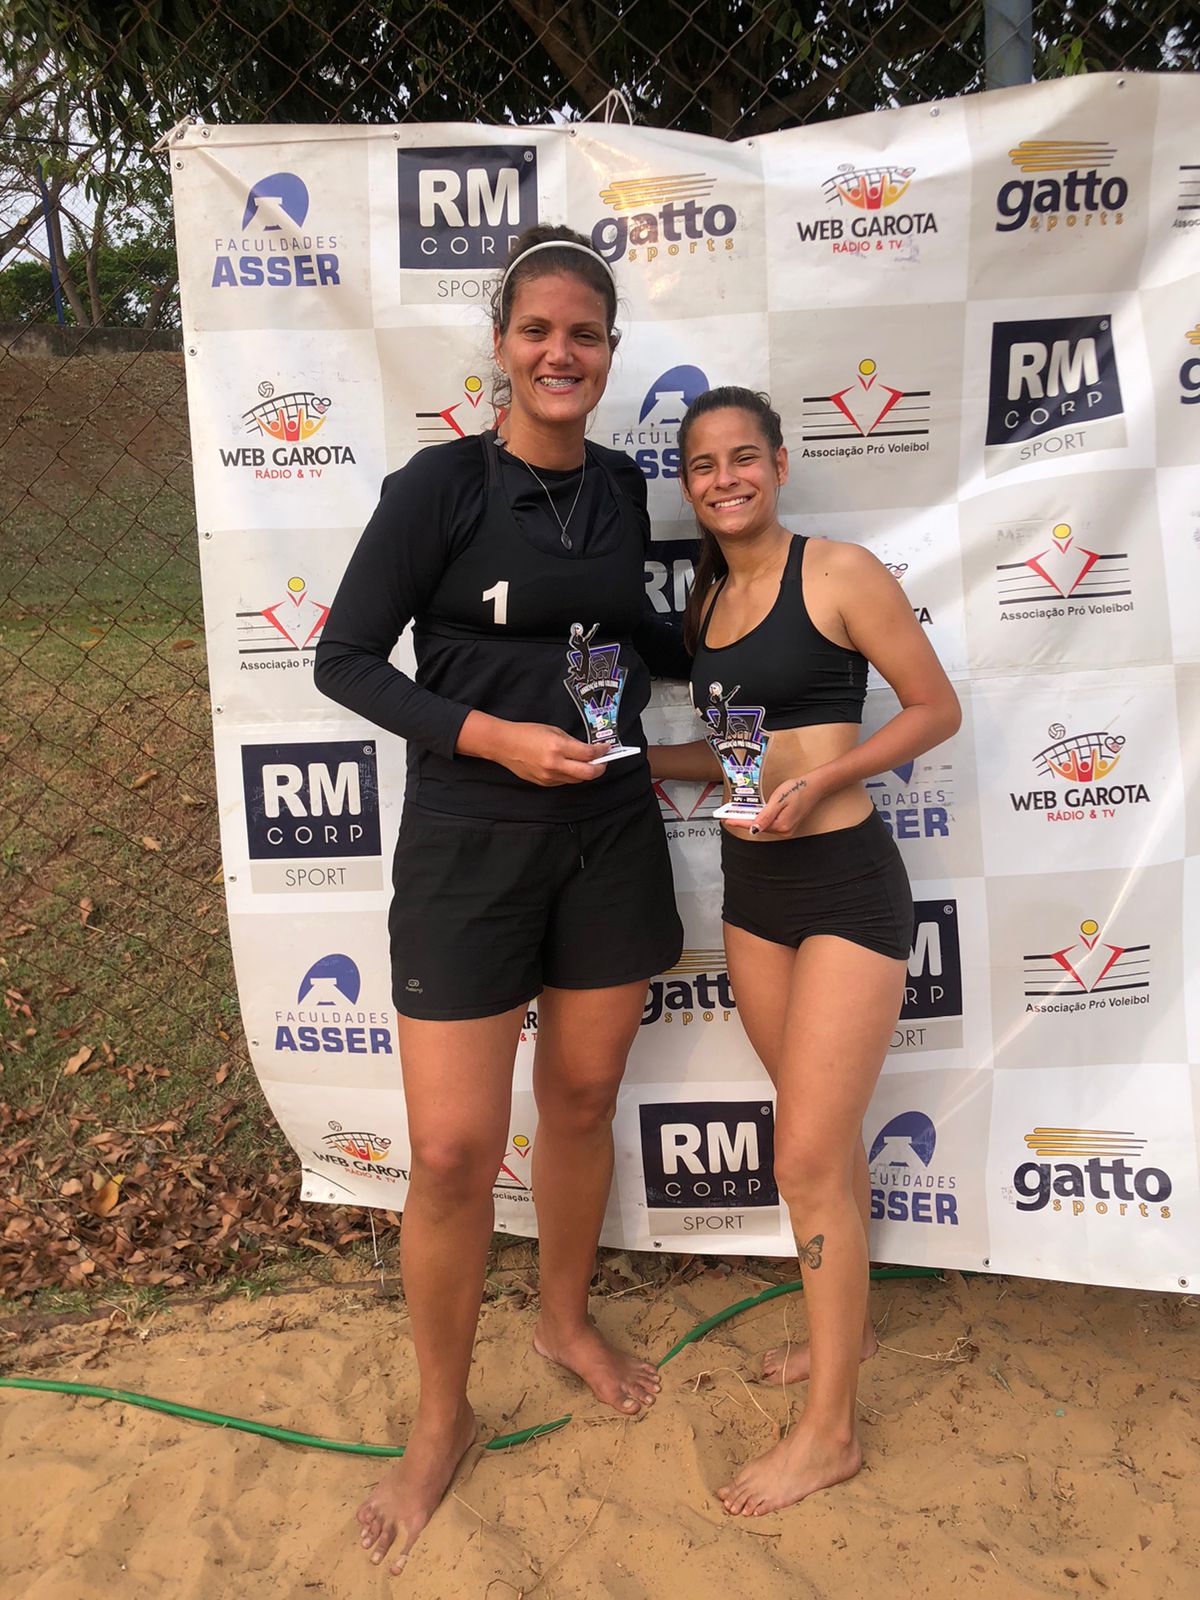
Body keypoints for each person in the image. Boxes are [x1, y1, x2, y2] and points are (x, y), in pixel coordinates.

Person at [313, 226, 687, 1572]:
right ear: (501, 345)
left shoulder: (629, 492)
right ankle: (439, 1421)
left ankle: (565, 1319)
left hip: (607, 835)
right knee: (457, 1153)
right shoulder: (440, 487)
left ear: (608, 352)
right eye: (538, 330)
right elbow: (343, 662)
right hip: (470, 840)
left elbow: (635, 648)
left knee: (582, 1098)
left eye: (584, 332)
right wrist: (489, 736)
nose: (560, 352)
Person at [648, 386, 960, 1517]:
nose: (725, 478)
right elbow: (735, 755)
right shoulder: (710, 602)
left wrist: (828, 778)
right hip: (752, 894)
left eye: (744, 457)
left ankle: (828, 1433)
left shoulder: (836, 571)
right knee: (814, 1141)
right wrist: (643, 766)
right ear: (686, 484)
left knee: (807, 1156)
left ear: (778, 463)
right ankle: (852, 1332)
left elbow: (934, 709)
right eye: (702, 465)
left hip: (843, 883)